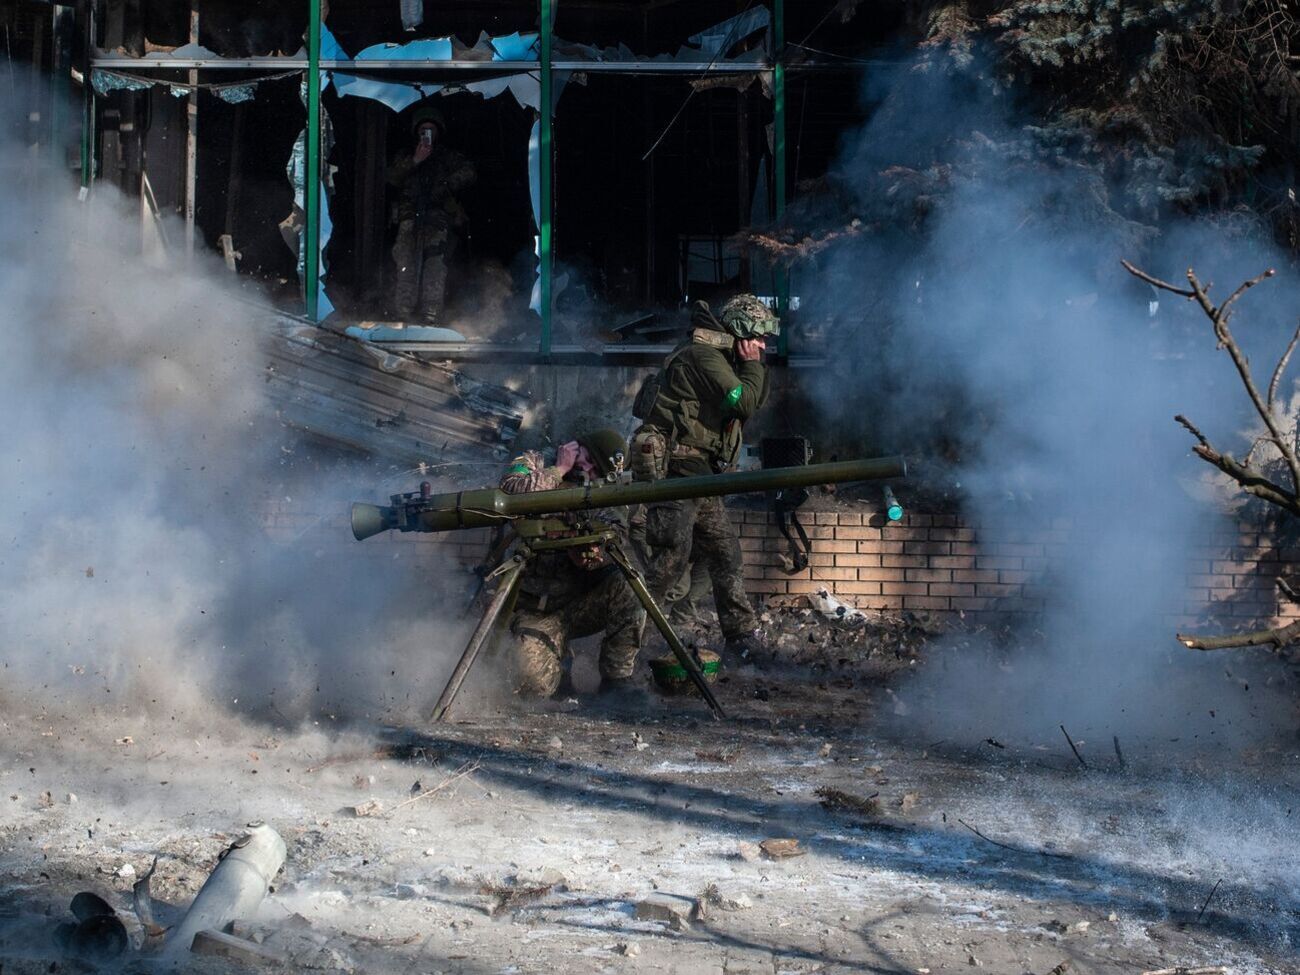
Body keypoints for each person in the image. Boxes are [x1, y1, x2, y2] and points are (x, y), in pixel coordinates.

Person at [632, 294, 779, 658]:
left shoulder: (723, 358)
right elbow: (744, 401)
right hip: (678, 471)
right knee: (669, 561)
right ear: (740, 332)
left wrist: (752, 365)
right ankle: (629, 639)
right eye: (758, 337)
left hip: (699, 472)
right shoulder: (703, 356)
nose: (762, 345)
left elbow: (751, 402)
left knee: (725, 552)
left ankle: (741, 637)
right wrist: (752, 364)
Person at [498, 430, 646, 699]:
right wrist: (559, 470)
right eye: (587, 459)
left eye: (595, 467)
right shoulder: (534, 460)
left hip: (575, 607)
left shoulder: (598, 486)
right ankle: (559, 663)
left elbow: (614, 530)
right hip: (534, 610)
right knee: (534, 687)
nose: (587, 469)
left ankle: (617, 679)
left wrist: (588, 552)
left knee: (630, 586)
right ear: (575, 445)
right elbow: (511, 490)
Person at [388, 102, 476, 324]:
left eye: (431, 129)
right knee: (406, 264)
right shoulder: (406, 154)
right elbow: (391, 178)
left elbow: (469, 172)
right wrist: (416, 160)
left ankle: (430, 313)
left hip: (437, 220)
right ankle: (404, 312)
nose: (427, 133)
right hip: (409, 218)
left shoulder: (447, 156)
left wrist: (446, 184)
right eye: (423, 129)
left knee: (435, 267)